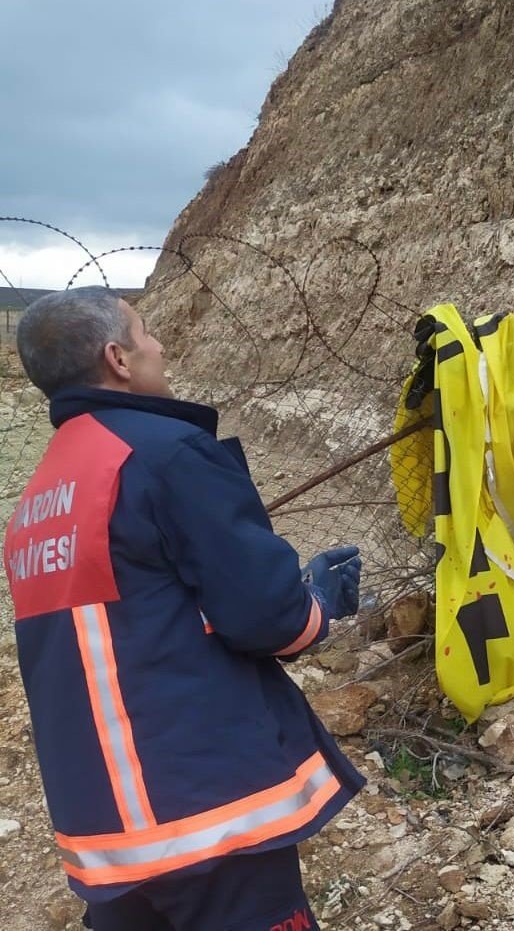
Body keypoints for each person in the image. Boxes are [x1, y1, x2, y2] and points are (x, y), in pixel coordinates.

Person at [2, 287, 365, 930]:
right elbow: (267, 616)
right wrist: (318, 601)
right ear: (117, 357)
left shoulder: (38, 500)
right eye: (146, 333)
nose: (160, 347)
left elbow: (134, 624)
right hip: (204, 813)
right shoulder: (165, 452)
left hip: (106, 833)